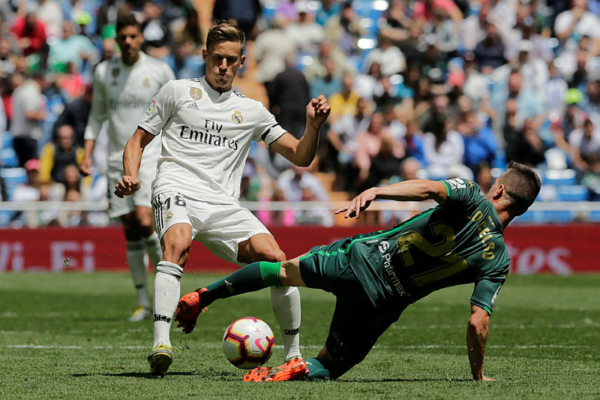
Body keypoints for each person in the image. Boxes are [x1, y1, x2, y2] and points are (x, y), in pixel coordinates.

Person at [176, 161, 541, 382]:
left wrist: (378, 191)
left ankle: (203, 296)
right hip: (381, 301)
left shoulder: (471, 193)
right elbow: (478, 322)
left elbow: (428, 189)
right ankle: (291, 371)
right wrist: (478, 374)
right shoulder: (498, 261)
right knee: (331, 364)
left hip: (361, 258)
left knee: (281, 271)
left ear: (499, 189)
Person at [114, 21, 331, 378]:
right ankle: (161, 344)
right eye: (217, 58)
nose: (223, 66)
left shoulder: (252, 110)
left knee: (276, 260)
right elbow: (137, 140)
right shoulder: (177, 91)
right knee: (178, 244)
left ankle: (293, 354)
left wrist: (313, 127)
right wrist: (131, 174)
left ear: (242, 61)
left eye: (231, 60)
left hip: (223, 205)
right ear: (205, 55)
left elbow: (300, 155)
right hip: (176, 188)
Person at [80, 12, 175, 322]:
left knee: (145, 220)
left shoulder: (159, 70)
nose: (129, 42)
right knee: (130, 227)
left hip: (150, 154)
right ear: (116, 39)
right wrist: (87, 154)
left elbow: (178, 110)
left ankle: (166, 294)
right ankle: (143, 302)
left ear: (141, 37)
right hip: (114, 159)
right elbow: (97, 116)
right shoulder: (104, 71)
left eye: (133, 36)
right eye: (123, 37)